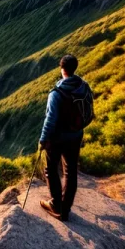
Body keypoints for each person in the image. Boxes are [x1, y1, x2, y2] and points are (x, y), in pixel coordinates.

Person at [38, 54, 92, 221]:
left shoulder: (56, 93)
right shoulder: (84, 86)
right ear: (74, 68)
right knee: (70, 171)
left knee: (51, 169)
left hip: (57, 138)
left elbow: (50, 119)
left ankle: (55, 205)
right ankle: (65, 208)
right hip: (76, 135)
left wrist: (43, 139)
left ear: (62, 69)